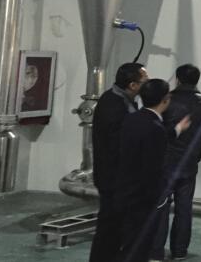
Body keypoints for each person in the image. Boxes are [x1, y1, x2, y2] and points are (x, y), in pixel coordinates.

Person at [115, 79, 191, 262]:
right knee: (141, 245)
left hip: (125, 192)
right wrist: (159, 197)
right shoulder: (155, 128)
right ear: (166, 99)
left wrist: (177, 130)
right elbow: (152, 168)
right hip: (143, 198)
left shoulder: (132, 119)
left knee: (128, 242)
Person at [150, 64, 201, 262]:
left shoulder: (166, 100)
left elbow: (156, 131)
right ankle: (179, 251)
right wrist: (196, 156)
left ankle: (156, 252)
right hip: (188, 164)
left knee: (160, 208)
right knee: (184, 208)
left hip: (164, 163)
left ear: (177, 79)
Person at [89, 62, 148, 262]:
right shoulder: (113, 105)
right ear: (133, 85)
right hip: (113, 180)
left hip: (118, 179)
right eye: (145, 82)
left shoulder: (123, 100)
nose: (147, 85)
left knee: (117, 229)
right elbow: (118, 146)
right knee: (109, 229)